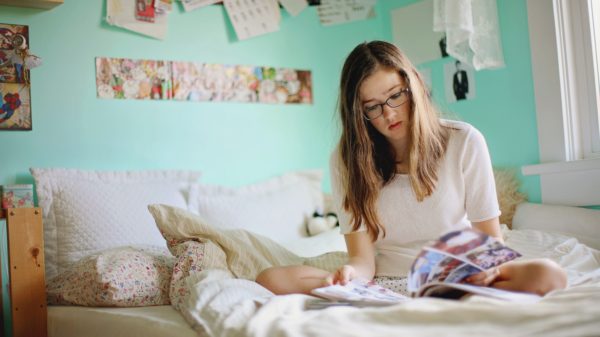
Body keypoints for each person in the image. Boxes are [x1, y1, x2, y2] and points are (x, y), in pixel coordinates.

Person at [255, 40, 567, 297]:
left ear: (412, 86)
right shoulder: (346, 159)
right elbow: (363, 259)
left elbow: (490, 241)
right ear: (358, 113)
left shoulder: (464, 141)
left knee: (548, 275)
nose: (389, 113)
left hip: (458, 276)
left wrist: (482, 270)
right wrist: (351, 273)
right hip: (387, 282)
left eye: (395, 96)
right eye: (373, 107)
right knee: (271, 279)